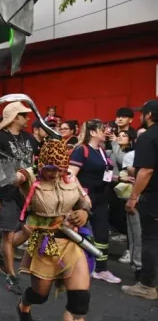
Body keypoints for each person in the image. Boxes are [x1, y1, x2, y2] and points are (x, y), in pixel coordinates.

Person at [13, 139, 93, 321]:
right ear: (41, 163)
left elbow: (84, 201)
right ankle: (23, 306)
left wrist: (84, 212)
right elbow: (11, 180)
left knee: (80, 299)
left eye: (59, 169)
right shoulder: (29, 176)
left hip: (69, 239)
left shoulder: (69, 177)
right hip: (42, 240)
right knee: (40, 295)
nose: (55, 174)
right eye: (50, 168)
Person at [0, 102, 38, 295]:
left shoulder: (29, 138)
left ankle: (1, 254)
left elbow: (34, 163)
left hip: (28, 192)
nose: (27, 118)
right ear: (15, 117)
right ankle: (11, 276)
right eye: (24, 115)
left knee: (30, 229)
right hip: (5, 191)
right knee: (7, 234)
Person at [68, 120, 121, 284]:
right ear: (92, 132)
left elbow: (103, 173)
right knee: (77, 233)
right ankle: (70, 266)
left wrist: (120, 178)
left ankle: (101, 269)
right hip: (85, 200)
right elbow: (71, 175)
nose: (105, 131)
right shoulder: (81, 150)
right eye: (102, 129)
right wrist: (83, 194)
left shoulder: (101, 151)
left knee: (102, 234)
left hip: (101, 199)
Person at [122, 100, 158, 300]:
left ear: (150, 115)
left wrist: (133, 197)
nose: (139, 117)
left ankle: (147, 285)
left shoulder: (148, 137)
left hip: (153, 196)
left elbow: (146, 170)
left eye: (142, 113)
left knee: (151, 240)